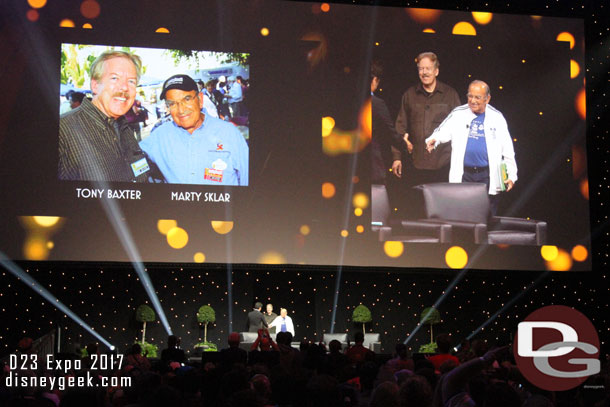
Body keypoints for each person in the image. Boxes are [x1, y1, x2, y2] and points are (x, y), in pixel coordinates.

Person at [425, 80, 517, 215]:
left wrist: (512, 175)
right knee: (461, 214)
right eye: (470, 96)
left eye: (477, 97)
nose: (472, 100)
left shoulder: (497, 118)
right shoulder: (458, 113)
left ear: (487, 99)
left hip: (487, 176)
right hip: (464, 175)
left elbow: (508, 150)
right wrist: (434, 140)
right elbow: (443, 130)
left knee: (486, 216)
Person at [139, 74, 249, 185]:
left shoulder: (229, 134)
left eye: (187, 99)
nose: (181, 110)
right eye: (172, 104)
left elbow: (248, 182)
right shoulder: (159, 137)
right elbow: (131, 160)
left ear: (200, 100)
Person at [59, 50, 150, 182]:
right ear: (95, 86)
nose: (124, 87)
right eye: (114, 78)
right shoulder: (63, 131)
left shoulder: (123, 127)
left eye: (131, 81)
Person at [393, 52, 461, 184]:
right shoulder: (409, 95)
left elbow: (460, 129)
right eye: (421, 68)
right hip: (415, 165)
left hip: (444, 165)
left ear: (436, 71)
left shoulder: (450, 95)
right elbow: (400, 127)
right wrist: (397, 157)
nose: (424, 72)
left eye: (428, 68)